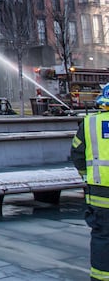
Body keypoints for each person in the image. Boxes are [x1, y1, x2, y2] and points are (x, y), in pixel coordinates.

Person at [71, 83, 109, 281]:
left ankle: (101, 277)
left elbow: (77, 153)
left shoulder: (89, 124)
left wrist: (86, 176)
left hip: (99, 193)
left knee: (102, 236)